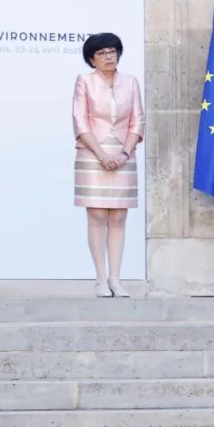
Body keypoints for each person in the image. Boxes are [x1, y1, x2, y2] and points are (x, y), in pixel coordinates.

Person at [72, 32, 145, 298]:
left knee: (119, 216)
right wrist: (102, 154)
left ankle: (116, 278)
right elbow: (80, 121)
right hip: (92, 152)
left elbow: (138, 120)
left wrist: (125, 153)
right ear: (91, 59)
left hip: (124, 153)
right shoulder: (85, 82)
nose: (109, 57)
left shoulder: (131, 82)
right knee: (98, 215)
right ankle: (100, 279)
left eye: (112, 51)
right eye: (102, 53)